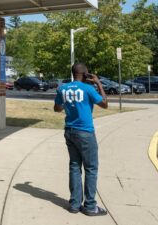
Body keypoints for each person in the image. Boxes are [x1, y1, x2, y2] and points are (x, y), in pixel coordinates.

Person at [54, 63, 108, 216]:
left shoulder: (62, 88)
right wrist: (98, 83)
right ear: (85, 75)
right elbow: (105, 104)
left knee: (74, 166)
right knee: (91, 168)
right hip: (85, 133)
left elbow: (57, 108)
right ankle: (90, 206)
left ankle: (74, 204)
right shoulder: (88, 88)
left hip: (70, 131)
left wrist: (70, 103)